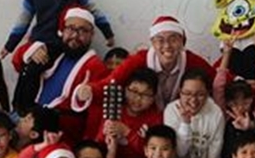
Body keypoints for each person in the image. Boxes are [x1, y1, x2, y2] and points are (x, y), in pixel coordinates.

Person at [10, 6, 109, 140]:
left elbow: (96, 112)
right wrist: (31, 51)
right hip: (25, 118)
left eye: (83, 30)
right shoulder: (52, 50)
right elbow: (17, 63)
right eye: (71, 28)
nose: (75, 35)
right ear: (62, 30)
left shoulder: (95, 66)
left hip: (60, 134)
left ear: (91, 34)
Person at [79, 16, 214, 111]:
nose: (167, 45)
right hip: (145, 121)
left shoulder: (191, 60)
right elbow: (112, 82)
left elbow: (215, 80)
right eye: (160, 40)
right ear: (153, 43)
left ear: (182, 42)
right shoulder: (139, 59)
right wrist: (90, 90)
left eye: (173, 39)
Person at [86, 67, 162, 158]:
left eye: (146, 94)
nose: (138, 98)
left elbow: (153, 154)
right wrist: (104, 135)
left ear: (153, 98)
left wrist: (127, 132)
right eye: (134, 91)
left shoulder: (155, 118)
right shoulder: (114, 109)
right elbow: (98, 145)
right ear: (125, 90)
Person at [164, 67, 225, 158]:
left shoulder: (216, 113)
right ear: (180, 91)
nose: (193, 100)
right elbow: (180, 152)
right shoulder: (171, 110)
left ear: (208, 93)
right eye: (187, 93)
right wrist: (185, 123)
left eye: (200, 94)